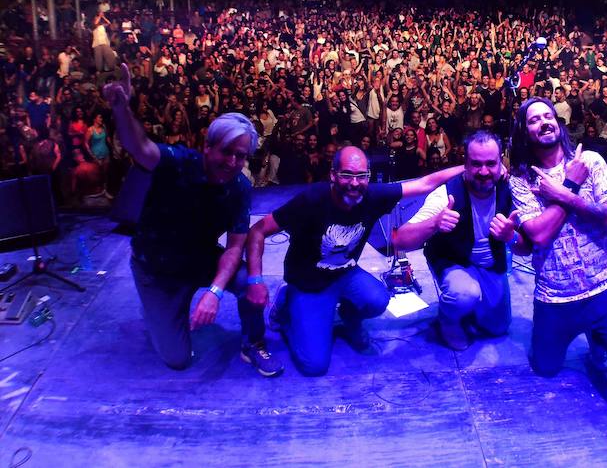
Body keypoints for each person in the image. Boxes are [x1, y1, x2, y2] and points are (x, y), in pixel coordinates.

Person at [102, 64, 281, 376]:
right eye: (227, 152)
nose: (233, 162)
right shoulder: (178, 163)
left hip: (198, 259)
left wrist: (214, 291)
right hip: (157, 269)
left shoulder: (240, 187)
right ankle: (162, 310)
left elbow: (233, 248)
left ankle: (253, 342)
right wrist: (122, 107)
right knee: (177, 358)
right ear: (207, 146)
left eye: (241, 156)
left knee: (247, 281)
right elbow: (138, 146)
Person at [246, 146, 464, 376]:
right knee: (314, 365)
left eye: (361, 176)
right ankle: (289, 302)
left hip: (345, 274)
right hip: (308, 283)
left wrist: (469, 166)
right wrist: (255, 279)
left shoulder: (373, 196)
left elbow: (425, 183)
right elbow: (258, 231)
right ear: (333, 175)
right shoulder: (312, 200)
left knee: (378, 299)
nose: (354, 183)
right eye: (347, 174)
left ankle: (349, 319)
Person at [507, 97, 607, 393]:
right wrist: (571, 185)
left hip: (603, 285)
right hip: (555, 294)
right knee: (545, 368)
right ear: (524, 132)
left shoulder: (590, 162)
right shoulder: (521, 179)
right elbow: (539, 235)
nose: (545, 121)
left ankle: (599, 337)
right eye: (534, 120)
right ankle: (574, 330)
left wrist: (564, 194)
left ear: (558, 124)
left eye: (548, 116)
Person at [394, 131, 530, 350]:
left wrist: (511, 237)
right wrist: (434, 224)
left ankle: (473, 303)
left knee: (498, 327)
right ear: (464, 162)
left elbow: (526, 249)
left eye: (491, 164)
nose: (484, 171)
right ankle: (448, 320)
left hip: (490, 263)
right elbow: (399, 240)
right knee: (464, 294)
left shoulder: (511, 189)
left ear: (501, 163)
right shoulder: (445, 194)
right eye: (476, 164)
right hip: (454, 260)